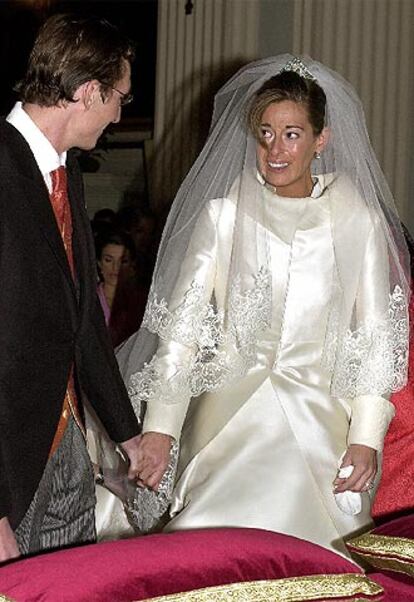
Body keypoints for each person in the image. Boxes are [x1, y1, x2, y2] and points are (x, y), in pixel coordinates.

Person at [116, 55, 410, 557]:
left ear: (321, 140)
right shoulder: (222, 216)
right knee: (207, 559)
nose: (275, 149)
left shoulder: (357, 220)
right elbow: (182, 333)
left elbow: (376, 339)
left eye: (292, 134)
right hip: (230, 419)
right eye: (265, 133)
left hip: (322, 428)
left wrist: (366, 436)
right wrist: (161, 429)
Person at [0, 13, 143, 562]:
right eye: (119, 98)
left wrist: (125, 433)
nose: (117, 113)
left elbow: (81, 318)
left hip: (66, 449)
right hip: (10, 469)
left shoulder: (68, 173)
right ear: (88, 92)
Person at [95, 228, 146, 346]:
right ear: (99, 263)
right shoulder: (86, 301)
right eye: (108, 260)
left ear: (132, 264)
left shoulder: (141, 302)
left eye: (123, 261)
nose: (115, 267)